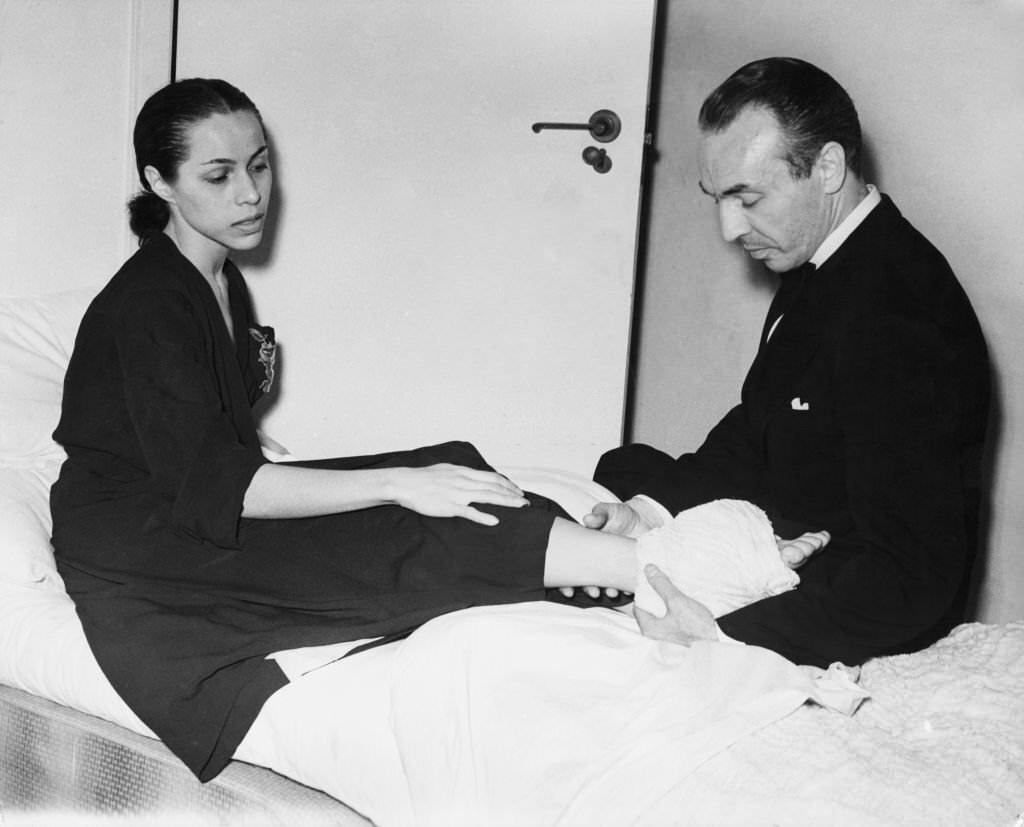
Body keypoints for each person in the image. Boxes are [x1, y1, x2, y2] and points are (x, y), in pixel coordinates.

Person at [51, 77, 659, 782]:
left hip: (195, 500)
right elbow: (227, 487)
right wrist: (399, 484)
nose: (250, 193)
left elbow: (224, 446)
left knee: (449, 464)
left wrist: (412, 476)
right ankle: (671, 570)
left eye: (258, 164)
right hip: (147, 545)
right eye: (218, 175)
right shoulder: (148, 305)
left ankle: (584, 559)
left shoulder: (219, 278)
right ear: (160, 182)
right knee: (411, 516)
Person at [587, 57, 990, 668]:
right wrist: (648, 513)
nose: (729, 228)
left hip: (842, 594)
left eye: (747, 198)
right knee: (621, 469)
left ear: (827, 168)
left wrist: (723, 638)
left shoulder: (901, 314)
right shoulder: (823, 258)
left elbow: (909, 576)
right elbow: (762, 425)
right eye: (718, 199)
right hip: (783, 536)